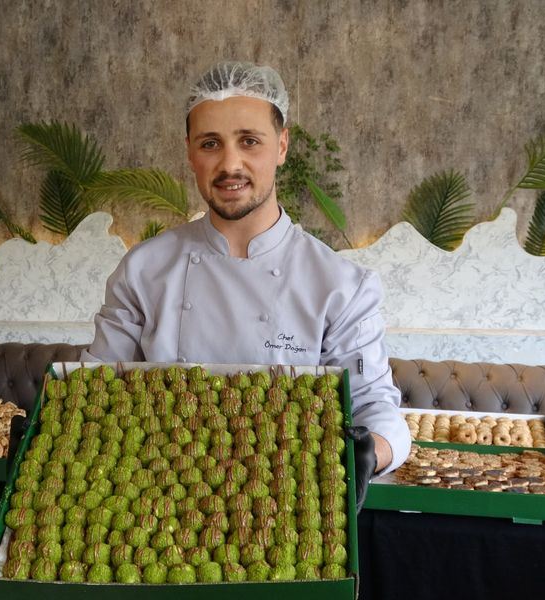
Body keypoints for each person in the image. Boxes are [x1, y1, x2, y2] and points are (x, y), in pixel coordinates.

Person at [83, 61, 410, 502]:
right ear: (189, 152)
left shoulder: (339, 284)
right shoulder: (143, 269)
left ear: (282, 145)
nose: (229, 164)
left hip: (287, 503)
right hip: (158, 500)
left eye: (249, 141)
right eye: (210, 143)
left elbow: (375, 406)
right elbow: (96, 388)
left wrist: (373, 452)